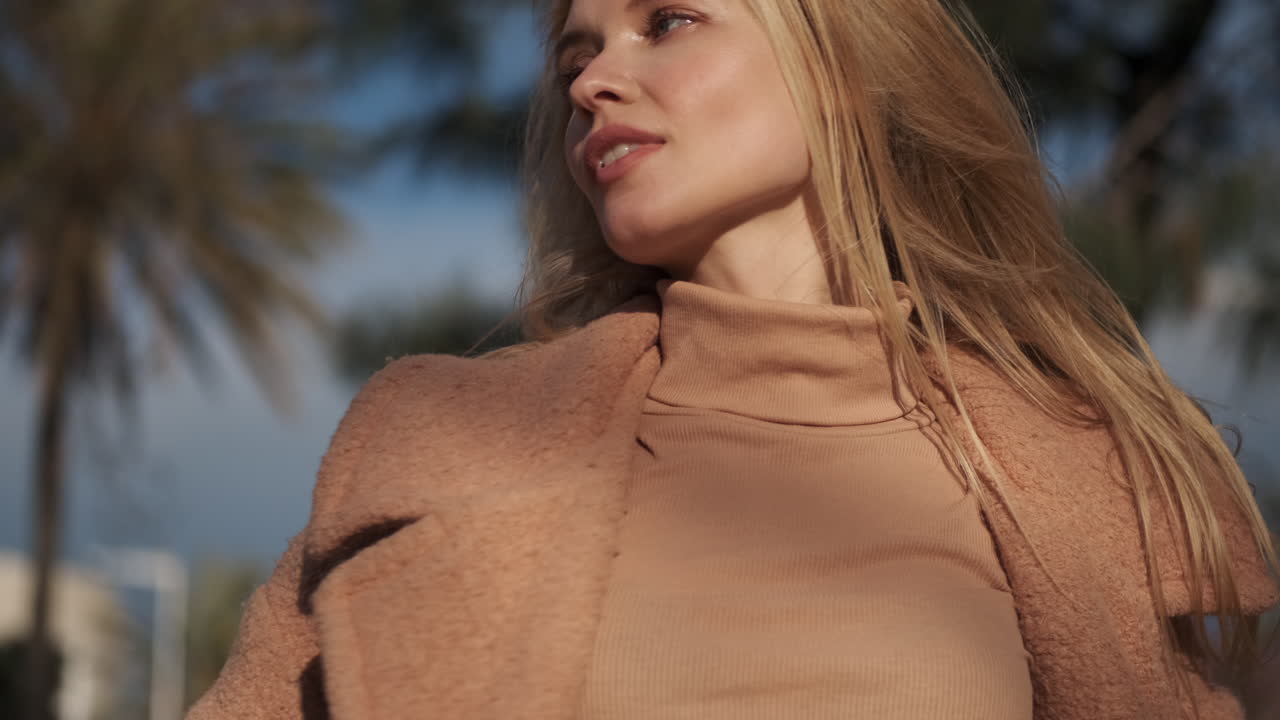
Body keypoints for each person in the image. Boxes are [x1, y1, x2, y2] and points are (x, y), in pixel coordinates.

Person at [187, 0, 1280, 718]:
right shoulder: (432, 441)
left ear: (844, 70)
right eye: (578, 52)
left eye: (665, 20)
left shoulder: (1066, 469)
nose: (589, 82)